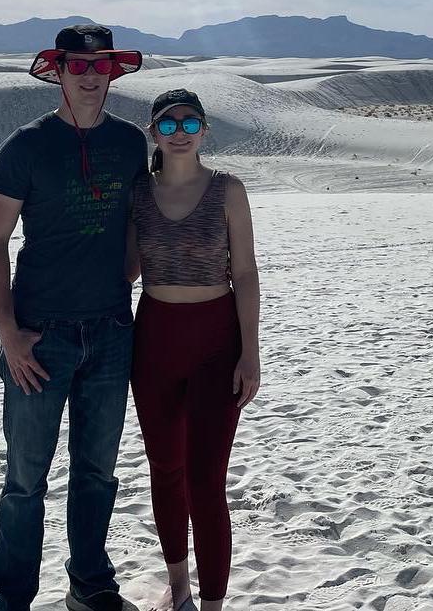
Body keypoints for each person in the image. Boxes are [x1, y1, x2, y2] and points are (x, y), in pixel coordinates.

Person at [0, 24, 147, 611]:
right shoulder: (26, 146)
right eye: (79, 65)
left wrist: (121, 279)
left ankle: (90, 582)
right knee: (25, 479)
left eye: (100, 65)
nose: (91, 75)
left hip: (110, 331)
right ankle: (13, 593)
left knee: (97, 472)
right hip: (39, 337)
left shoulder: (130, 144)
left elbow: (135, 220)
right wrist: (10, 336)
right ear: (57, 70)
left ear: (113, 72)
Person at [126, 88, 261, 611]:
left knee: (206, 478)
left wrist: (250, 353)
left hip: (216, 338)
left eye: (189, 124)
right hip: (155, 337)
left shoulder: (228, 190)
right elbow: (128, 269)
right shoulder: (140, 192)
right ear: (154, 133)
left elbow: (246, 272)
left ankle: (212, 603)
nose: (179, 133)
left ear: (205, 132)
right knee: (165, 469)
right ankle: (178, 586)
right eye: (168, 124)